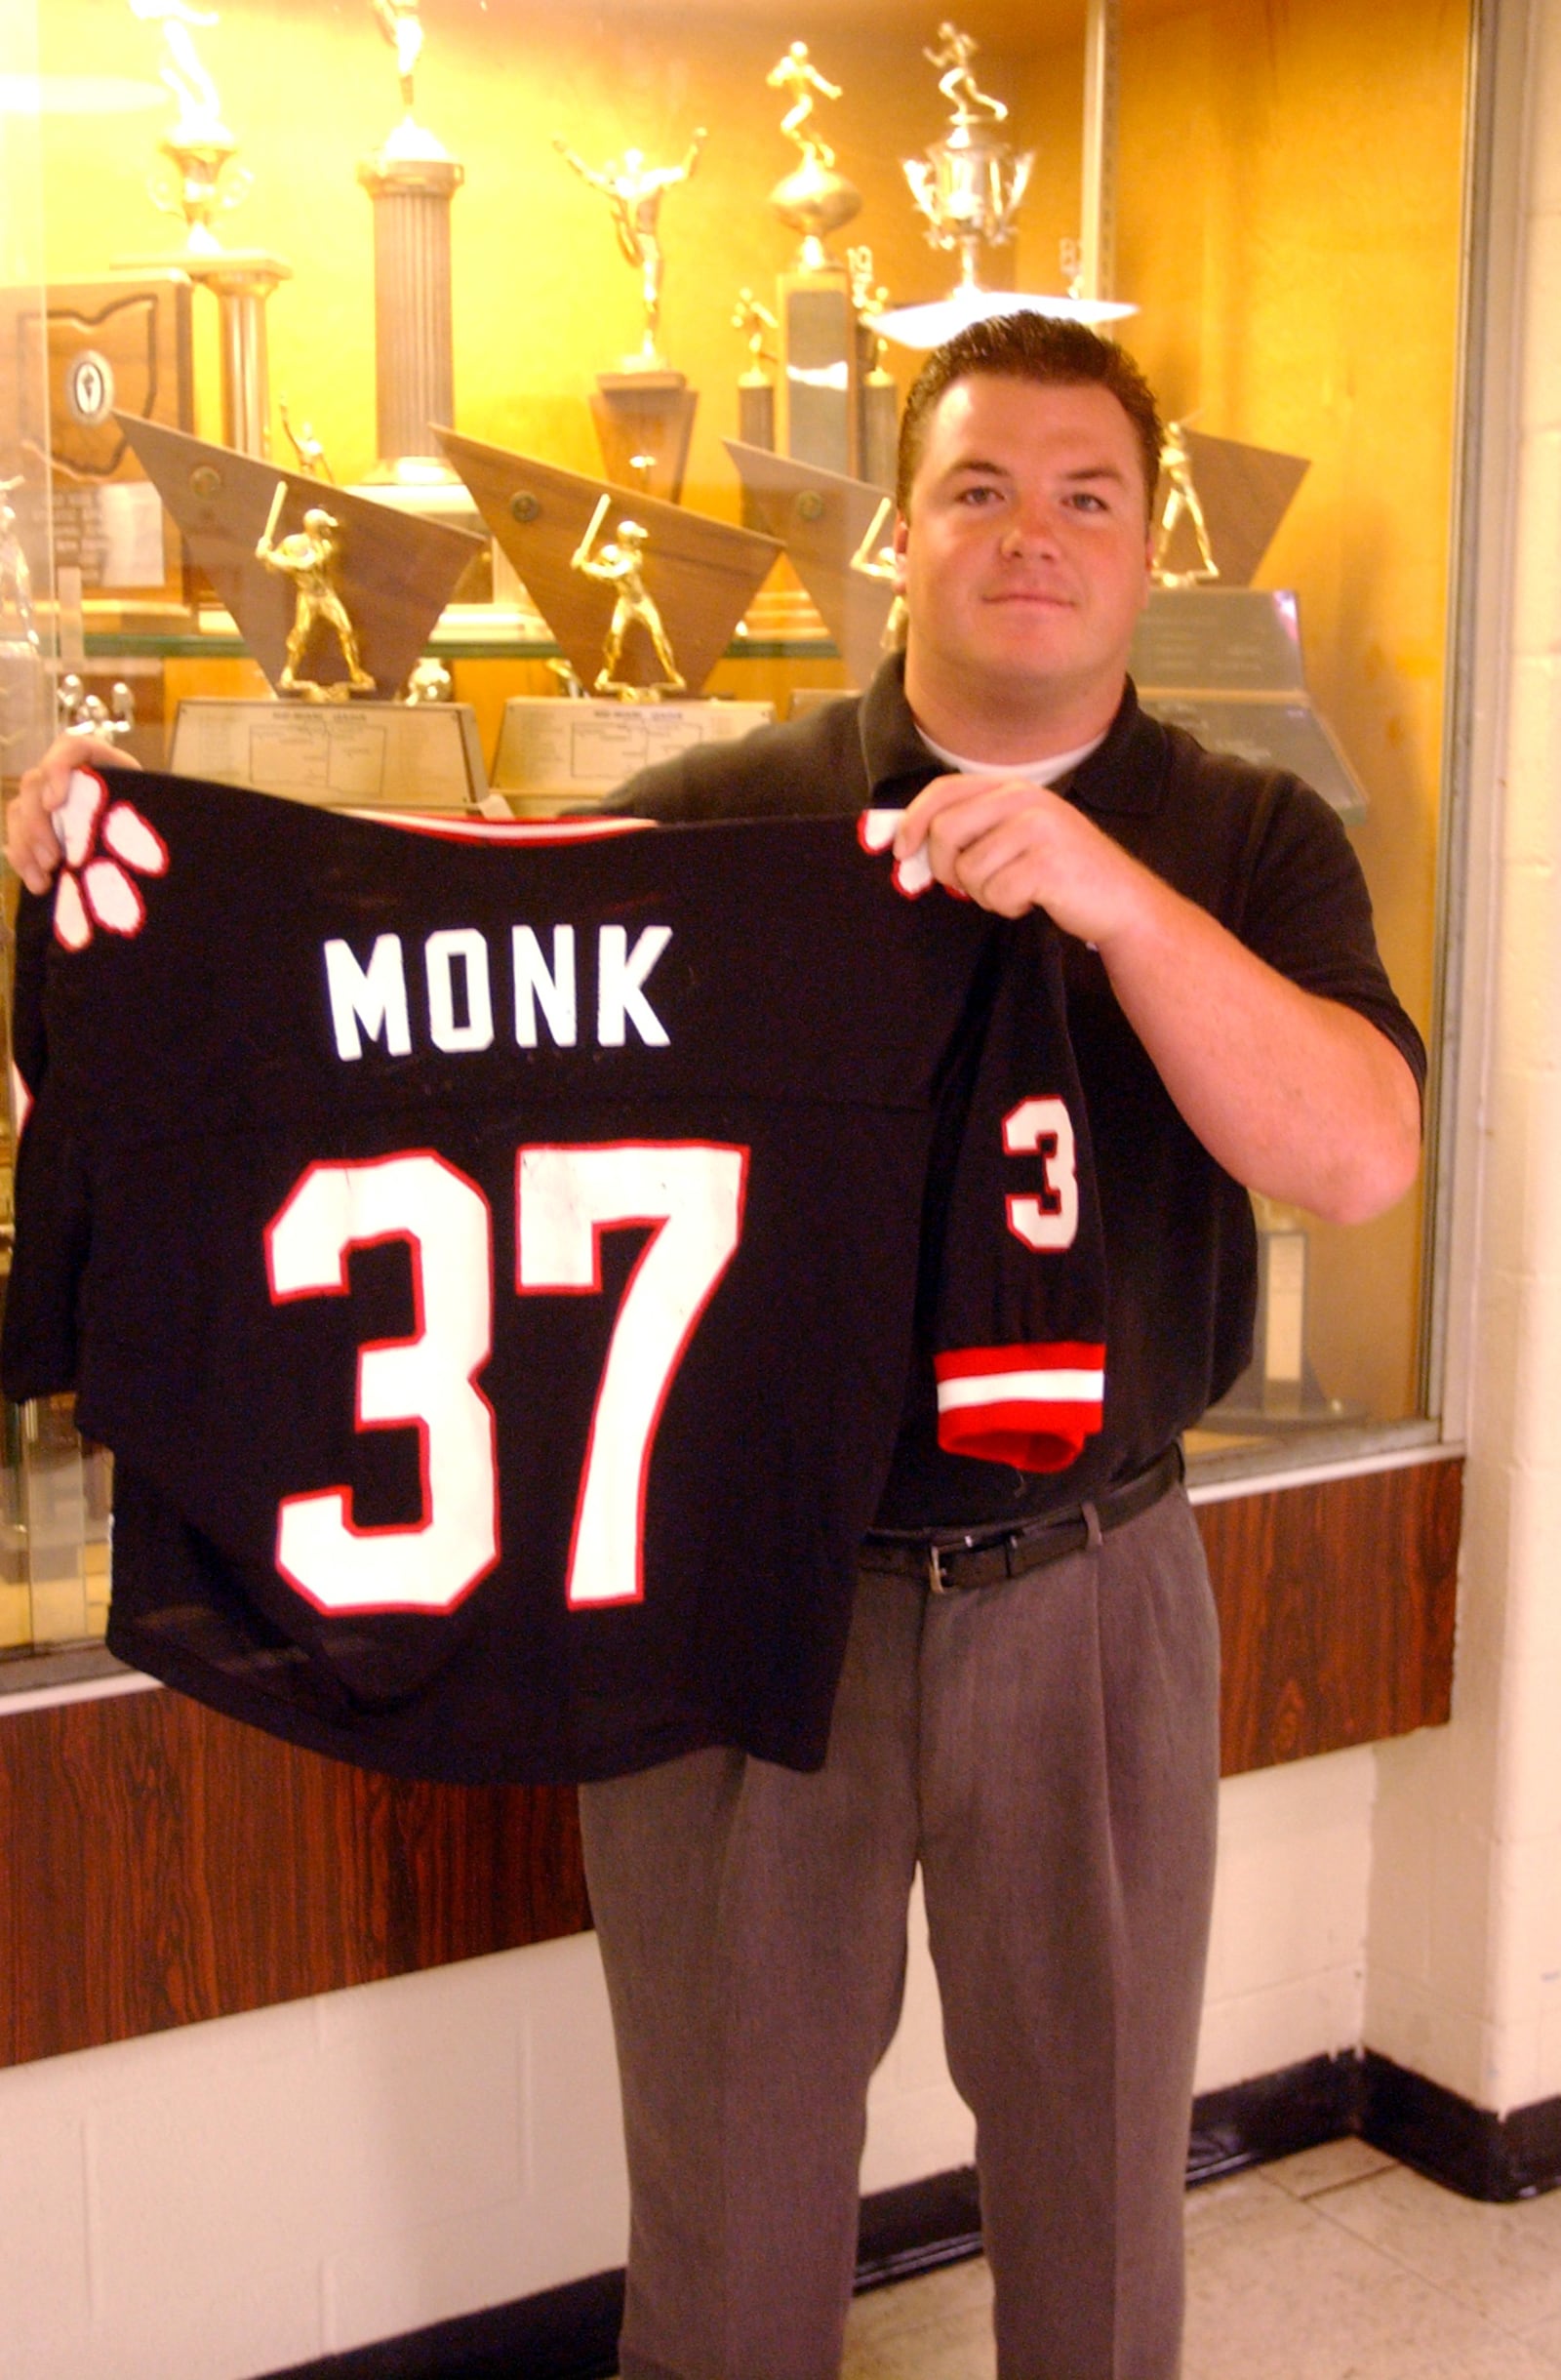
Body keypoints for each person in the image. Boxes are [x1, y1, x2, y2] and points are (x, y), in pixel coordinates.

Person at [6, 316, 1424, 2380]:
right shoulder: (723, 817)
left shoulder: (1236, 832)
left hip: (1090, 1582)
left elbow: (1360, 1151)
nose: (1030, 532)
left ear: (1140, 551)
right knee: (730, 2194)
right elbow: (375, 1051)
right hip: (736, 1590)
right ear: (898, 543)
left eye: (1083, 494)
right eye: (975, 487)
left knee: (1101, 2180)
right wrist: (119, 916)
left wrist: (1107, 901)